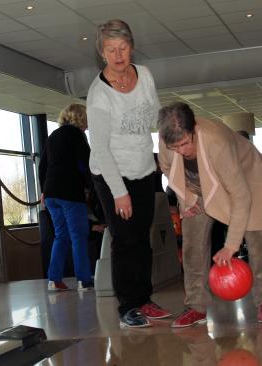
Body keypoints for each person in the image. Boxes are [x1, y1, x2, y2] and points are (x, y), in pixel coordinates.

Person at [158, 102, 262, 327]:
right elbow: (167, 168)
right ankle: (195, 306)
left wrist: (231, 245)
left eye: (185, 143)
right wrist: (187, 198)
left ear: (193, 128)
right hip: (199, 186)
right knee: (192, 243)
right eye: (176, 148)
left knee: (256, 238)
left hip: (246, 178)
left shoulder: (216, 142)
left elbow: (241, 196)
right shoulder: (168, 141)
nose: (182, 152)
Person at [86, 19, 171, 328]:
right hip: (111, 173)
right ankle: (127, 305)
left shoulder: (144, 75)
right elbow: (101, 149)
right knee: (124, 239)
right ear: (102, 53)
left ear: (131, 47)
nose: (118, 55)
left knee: (142, 236)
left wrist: (164, 155)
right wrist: (119, 192)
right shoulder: (99, 96)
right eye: (111, 50)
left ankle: (144, 299)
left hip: (143, 168)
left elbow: (157, 116)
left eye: (122, 48)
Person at [41, 103, 94, 291]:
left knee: (60, 235)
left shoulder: (53, 136)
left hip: (51, 193)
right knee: (78, 235)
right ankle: (84, 279)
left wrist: (43, 191)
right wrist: (90, 187)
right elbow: (87, 162)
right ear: (80, 118)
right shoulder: (77, 135)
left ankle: (54, 280)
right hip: (70, 192)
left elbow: (43, 165)